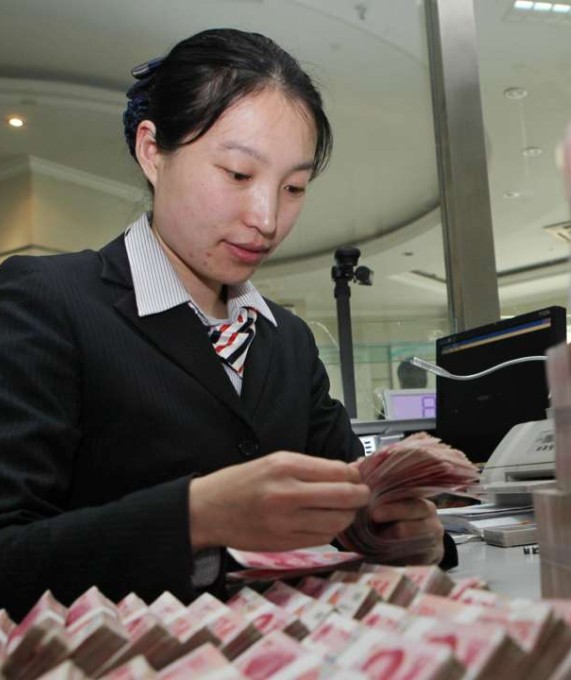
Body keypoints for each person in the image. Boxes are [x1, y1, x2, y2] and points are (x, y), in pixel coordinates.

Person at [0, 28, 449, 620]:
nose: (266, 218)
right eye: (238, 174)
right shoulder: (47, 301)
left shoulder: (288, 341)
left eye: (293, 187)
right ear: (152, 151)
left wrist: (402, 533)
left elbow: (352, 509)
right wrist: (193, 517)